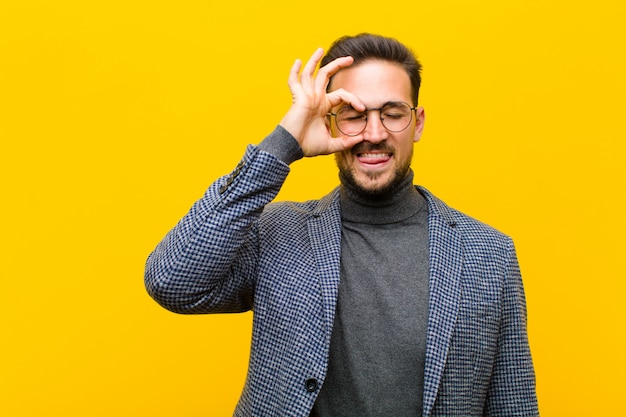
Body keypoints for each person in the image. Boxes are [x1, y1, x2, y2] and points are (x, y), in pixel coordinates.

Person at [145, 33, 538, 417]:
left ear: (417, 123)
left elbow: (513, 404)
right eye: (353, 116)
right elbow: (172, 281)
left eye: (393, 114)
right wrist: (284, 143)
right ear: (330, 125)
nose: (374, 133)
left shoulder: (489, 254)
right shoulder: (278, 232)